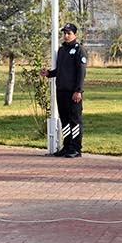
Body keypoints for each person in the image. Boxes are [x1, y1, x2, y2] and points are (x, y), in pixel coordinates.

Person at [41, 22, 85, 158]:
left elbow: (81, 72)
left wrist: (78, 90)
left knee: (74, 120)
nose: (66, 36)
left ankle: (76, 148)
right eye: (64, 33)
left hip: (73, 92)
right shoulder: (62, 50)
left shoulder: (79, 50)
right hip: (61, 91)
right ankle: (67, 146)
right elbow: (60, 70)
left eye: (69, 33)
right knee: (65, 120)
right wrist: (49, 73)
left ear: (75, 35)